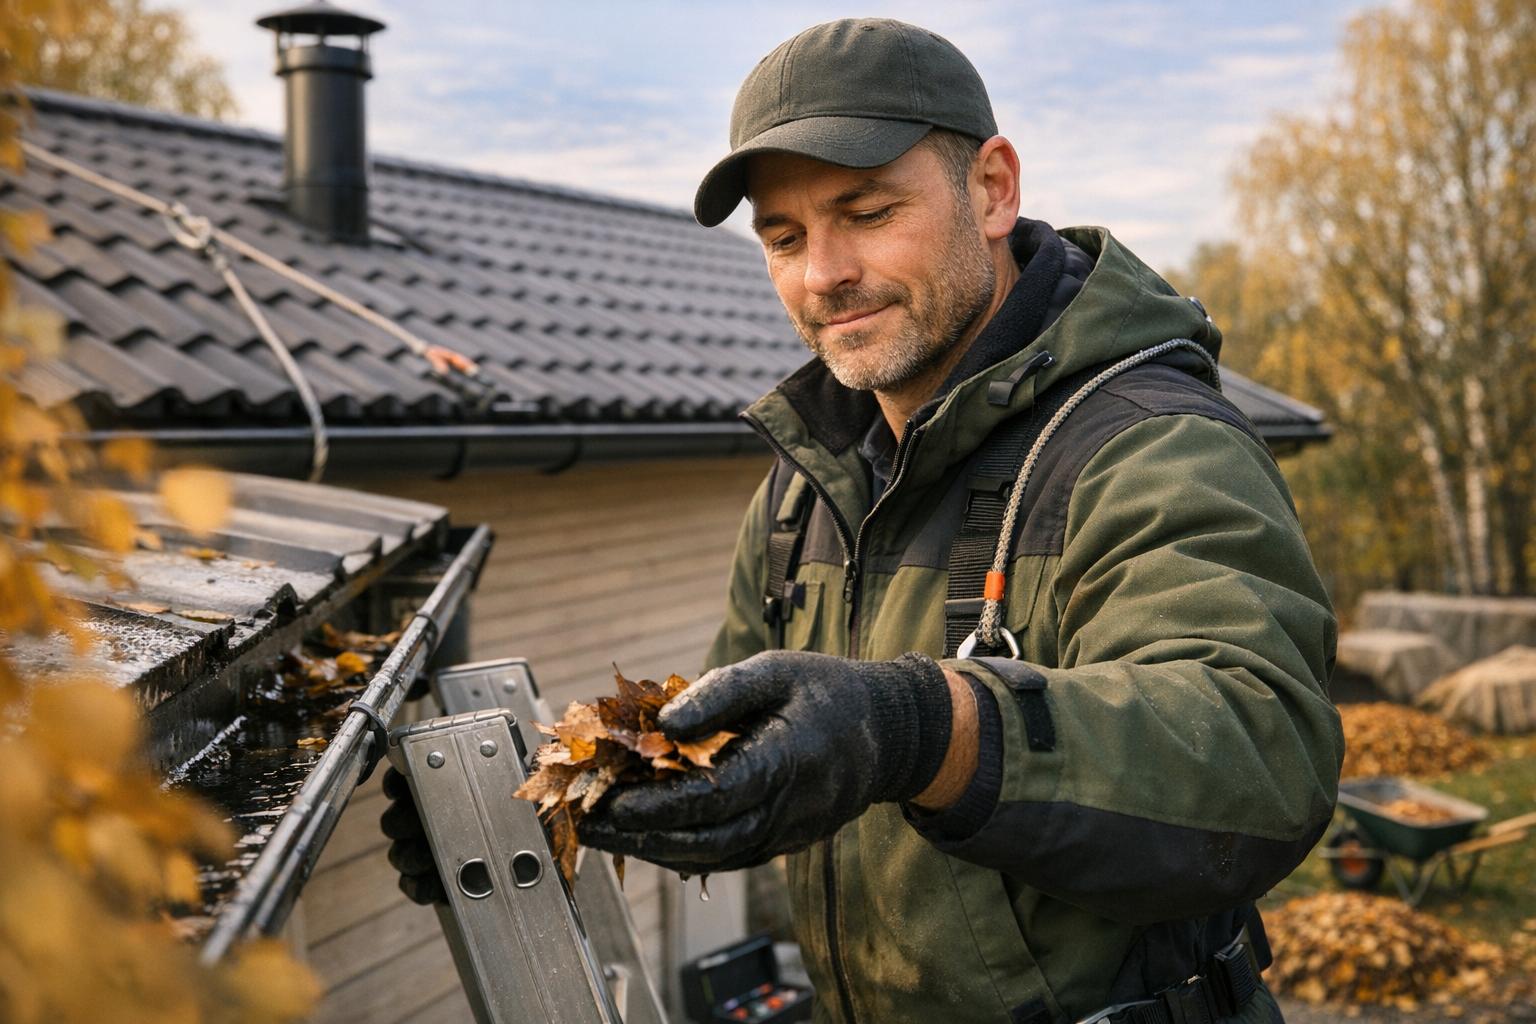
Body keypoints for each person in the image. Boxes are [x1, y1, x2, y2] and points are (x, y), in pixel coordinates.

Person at [386, 18, 1344, 1024]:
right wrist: (547, 804)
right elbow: (751, 765)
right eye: (785, 237)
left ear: (992, 189)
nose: (822, 274)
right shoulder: (805, 493)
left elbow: (1258, 760)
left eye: (868, 212)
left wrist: (922, 729)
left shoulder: (1146, 445)